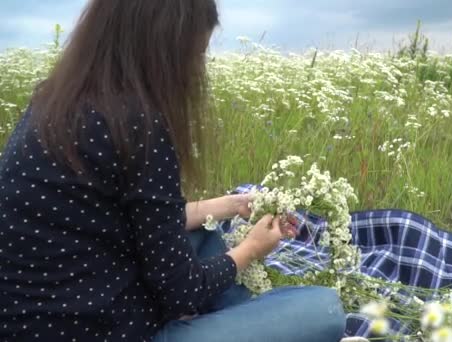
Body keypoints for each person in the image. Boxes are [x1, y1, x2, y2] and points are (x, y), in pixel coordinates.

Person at [0, 0, 346, 341]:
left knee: (205, 235)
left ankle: (245, 320)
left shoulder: (56, 101)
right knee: (324, 309)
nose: (197, 69)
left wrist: (228, 205)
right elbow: (182, 290)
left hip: (32, 316)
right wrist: (252, 248)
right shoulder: (137, 123)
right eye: (196, 55)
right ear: (165, 50)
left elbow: (128, 221)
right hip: (97, 329)